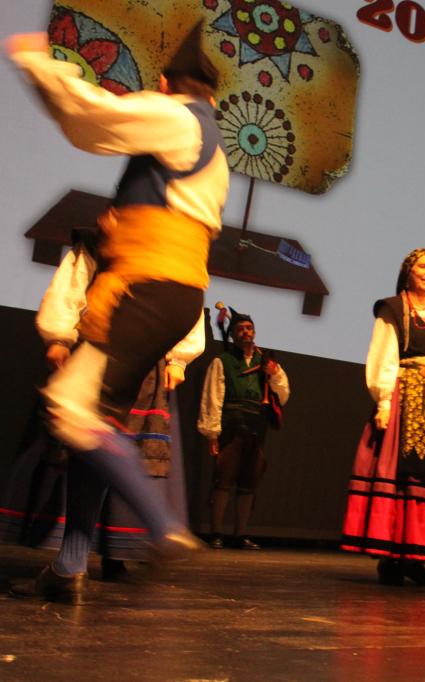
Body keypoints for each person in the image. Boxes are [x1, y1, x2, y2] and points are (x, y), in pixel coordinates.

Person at [6, 24, 228, 603]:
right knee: (95, 424)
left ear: (167, 83)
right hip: (170, 293)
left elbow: (91, 118)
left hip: (145, 290)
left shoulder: (177, 118)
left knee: (69, 407)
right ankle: (69, 567)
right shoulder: (211, 143)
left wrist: (38, 64)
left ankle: (164, 527)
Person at [340, 248, 425, 585]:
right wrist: (384, 401)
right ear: (408, 272)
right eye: (423, 267)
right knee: (400, 477)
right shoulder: (393, 310)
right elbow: (383, 355)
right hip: (405, 400)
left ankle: (416, 557)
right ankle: (391, 557)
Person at [198, 307, 290, 550]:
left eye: (249, 328)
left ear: (254, 332)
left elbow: (283, 394)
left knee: (249, 483)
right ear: (233, 334)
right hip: (231, 426)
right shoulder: (223, 361)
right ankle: (216, 533)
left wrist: (273, 375)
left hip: (257, 429)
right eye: (240, 329)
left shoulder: (266, 362)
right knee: (223, 480)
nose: (245, 332)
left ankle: (241, 534)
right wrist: (212, 433)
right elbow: (212, 397)